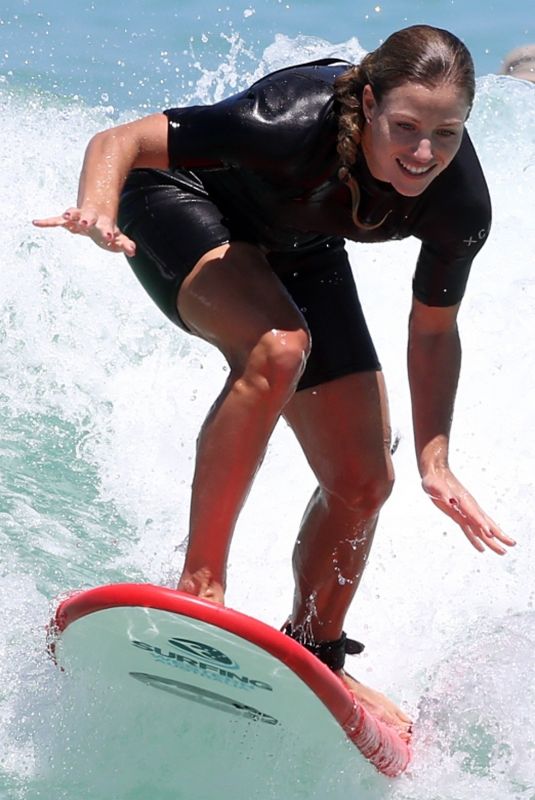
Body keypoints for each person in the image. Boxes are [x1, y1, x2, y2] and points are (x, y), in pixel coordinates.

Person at [33, 24, 516, 740]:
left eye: (445, 134)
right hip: (178, 199)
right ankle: (199, 585)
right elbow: (121, 142)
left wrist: (434, 458)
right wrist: (97, 205)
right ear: (369, 104)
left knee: (363, 480)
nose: (423, 154)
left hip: (297, 243)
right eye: (407, 127)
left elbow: (433, 330)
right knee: (276, 348)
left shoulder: (457, 204)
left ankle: (315, 647)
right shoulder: (289, 120)